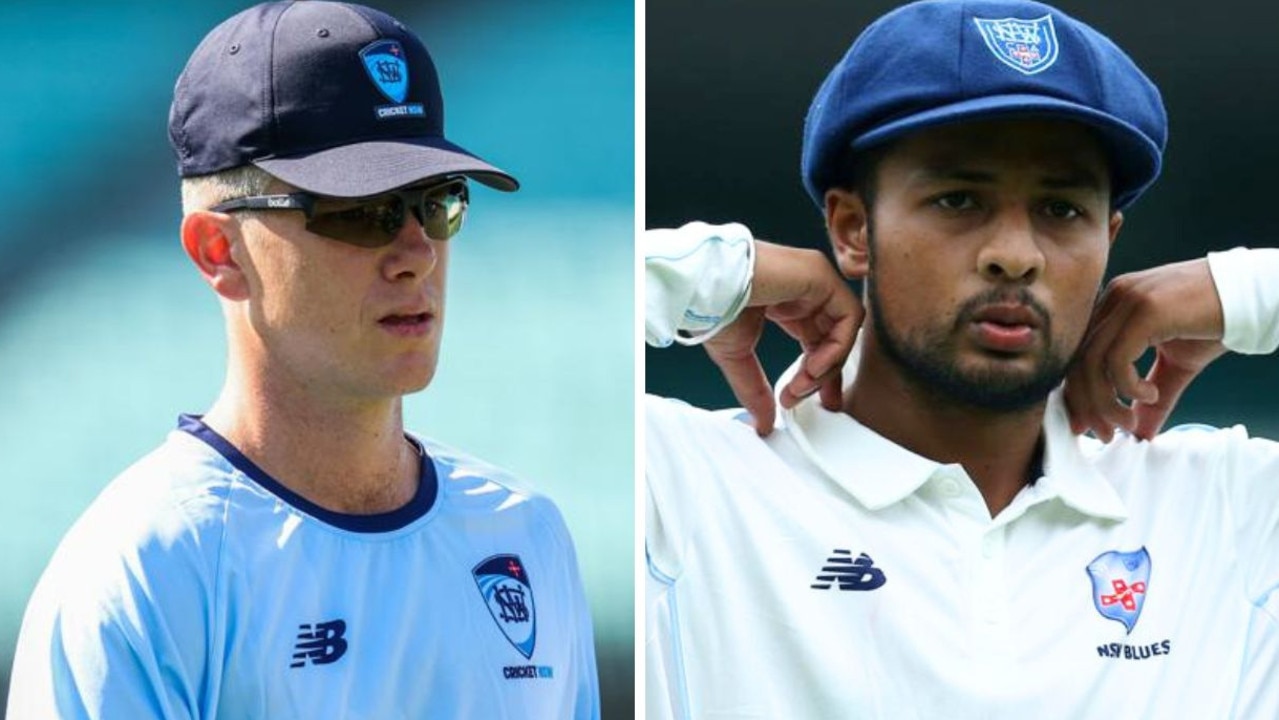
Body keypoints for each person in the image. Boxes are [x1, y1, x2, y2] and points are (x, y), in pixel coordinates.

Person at [645, 0, 1279, 717]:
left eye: (1062, 210)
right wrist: (711, 272)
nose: (1014, 255)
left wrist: (1247, 291)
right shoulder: (685, 482)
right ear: (852, 229)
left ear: (1111, 236)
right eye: (957, 199)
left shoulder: (1227, 508)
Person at [7, 2, 599, 718]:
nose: (416, 254)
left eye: (437, 202)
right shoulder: (147, 564)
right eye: (359, 209)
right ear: (218, 252)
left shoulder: (524, 532)